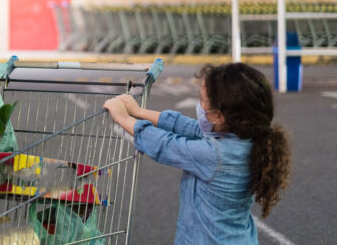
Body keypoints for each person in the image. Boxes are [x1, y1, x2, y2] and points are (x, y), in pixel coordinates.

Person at [104, 63, 291, 245]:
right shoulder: (245, 138)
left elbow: (165, 145)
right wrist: (138, 111)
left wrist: (122, 117)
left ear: (218, 116)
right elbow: (186, 126)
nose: (199, 105)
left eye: (202, 100)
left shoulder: (215, 155)